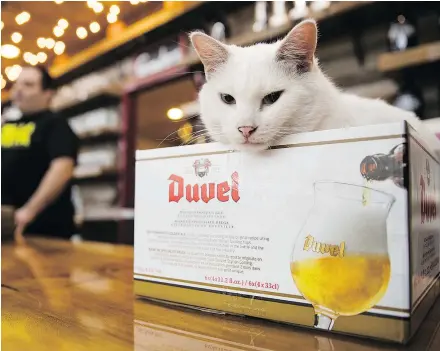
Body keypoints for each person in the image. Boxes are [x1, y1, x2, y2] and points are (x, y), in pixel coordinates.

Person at [1, 65, 79, 243]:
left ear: (47, 93)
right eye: (17, 84)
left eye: (28, 85)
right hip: (6, 228)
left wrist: (29, 211)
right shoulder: (7, 125)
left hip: (44, 230)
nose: (19, 90)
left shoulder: (55, 124)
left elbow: (63, 168)